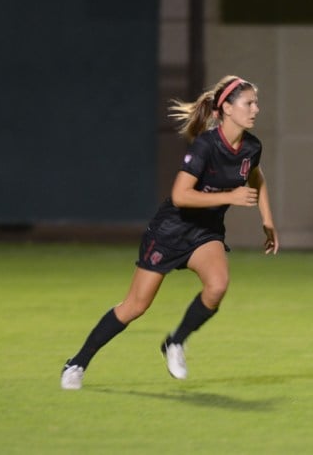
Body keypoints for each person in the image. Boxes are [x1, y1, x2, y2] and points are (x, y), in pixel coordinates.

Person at [61, 75, 279, 389]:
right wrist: (229, 197)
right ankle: (77, 363)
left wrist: (267, 220)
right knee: (135, 306)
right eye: (249, 103)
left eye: (256, 102)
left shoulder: (251, 147)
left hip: (205, 232)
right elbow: (180, 195)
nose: (256, 109)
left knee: (217, 287)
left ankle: (174, 342)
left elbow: (256, 177)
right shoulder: (205, 145)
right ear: (227, 109)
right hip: (170, 231)